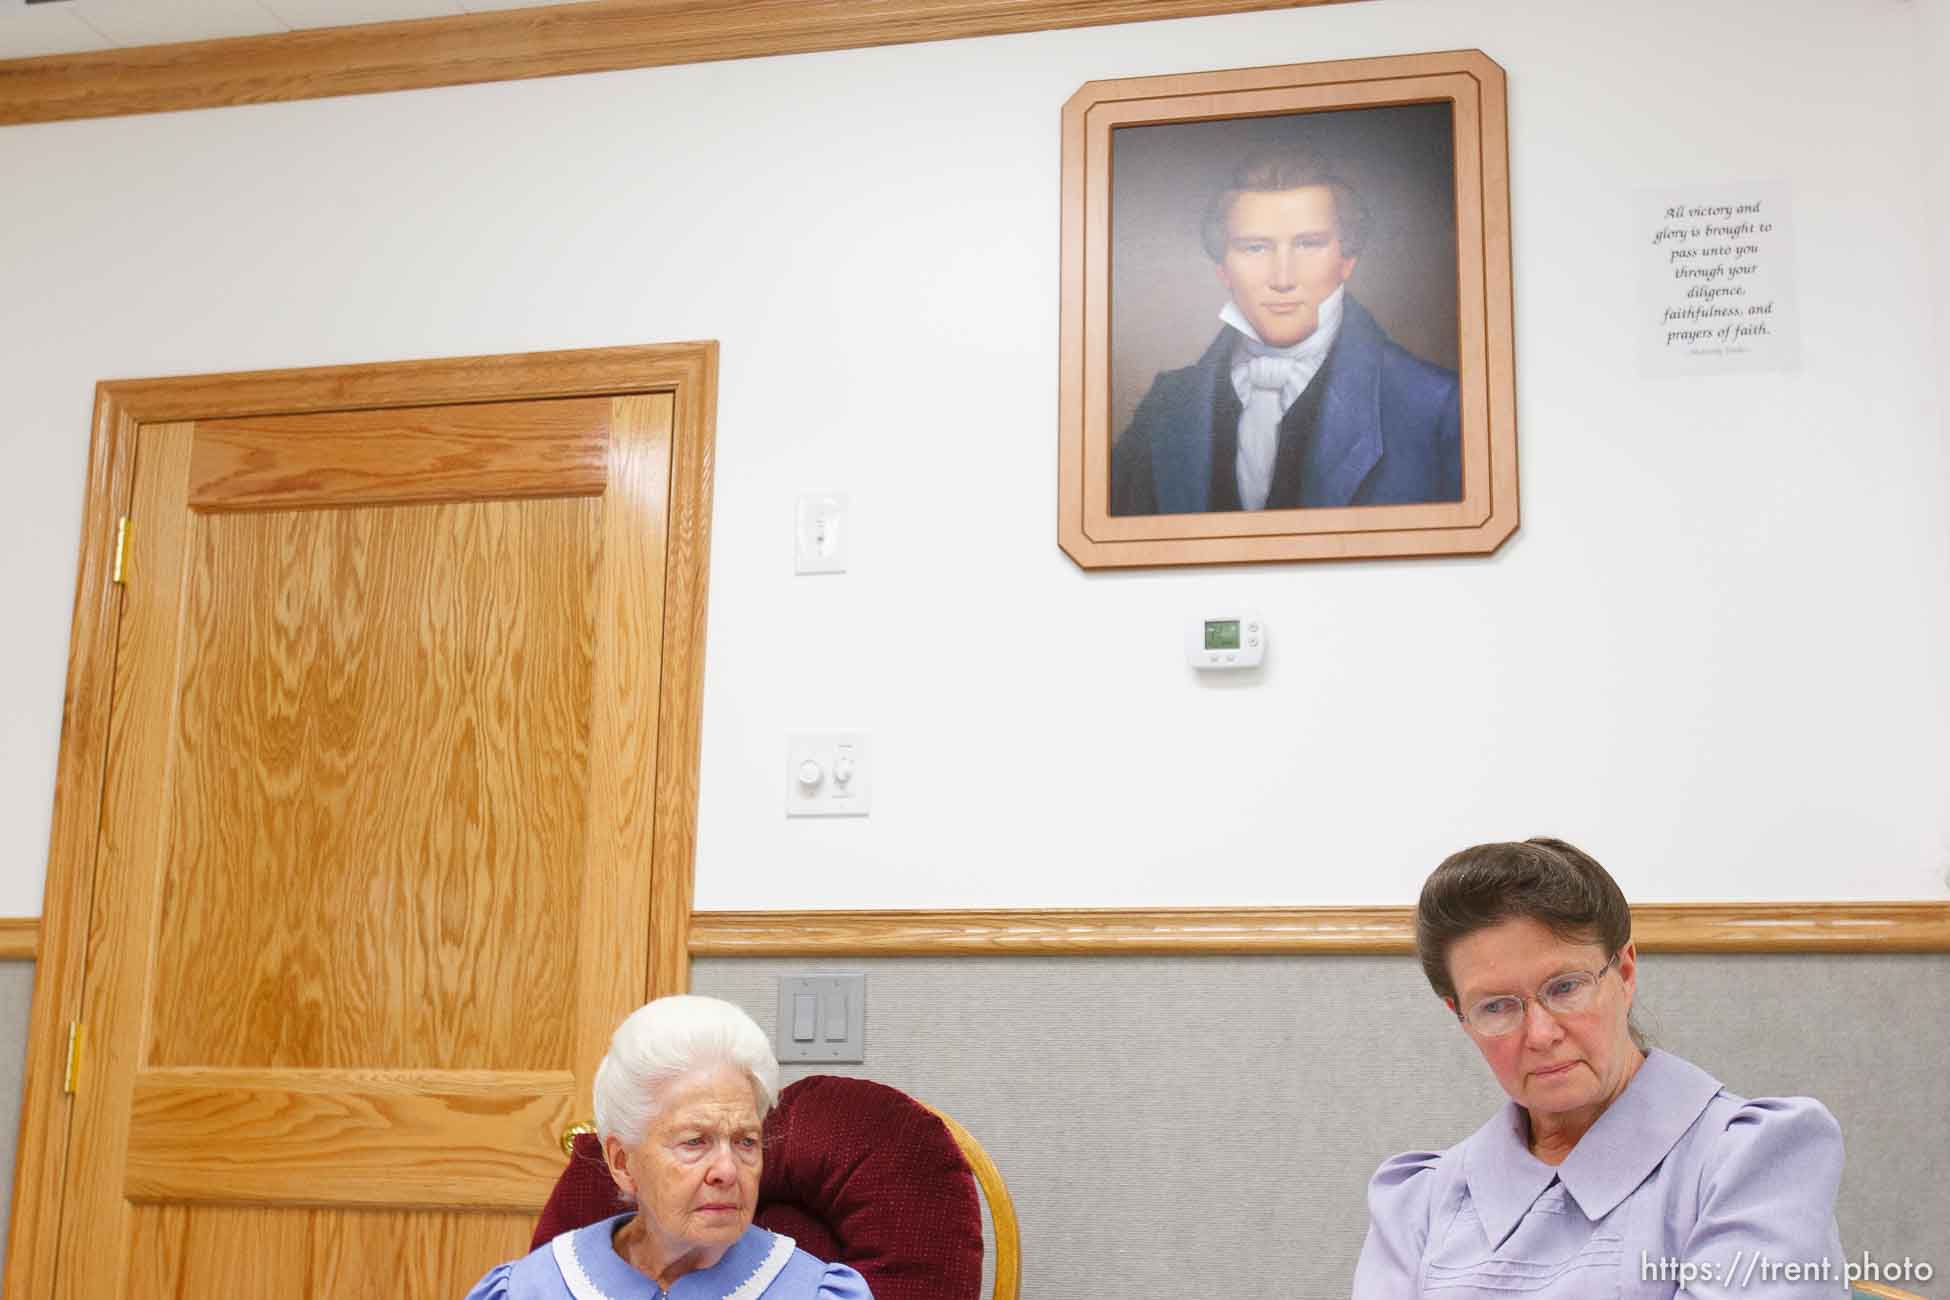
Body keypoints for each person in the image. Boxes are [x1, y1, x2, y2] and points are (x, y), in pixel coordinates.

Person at [1354, 838, 1845, 1297]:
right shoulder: (1417, 1201)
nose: (1541, 1034)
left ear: (1625, 973)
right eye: (1497, 1007)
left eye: (1566, 987)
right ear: (1460, 1016)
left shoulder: (1752, 1160)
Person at [1109, 151, 1461, 515]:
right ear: (1223, 269)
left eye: (1308, 245)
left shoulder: (1434, 405)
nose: (1282, 278)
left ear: (1347, 260)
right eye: (1255, 248)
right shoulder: (1166, 407)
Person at [467, 995, 874, 1300]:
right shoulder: (531, 1289)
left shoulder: (814, 1292)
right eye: (695, 1142)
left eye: (745, 1142)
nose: (727, 1171)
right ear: (623, 1162)